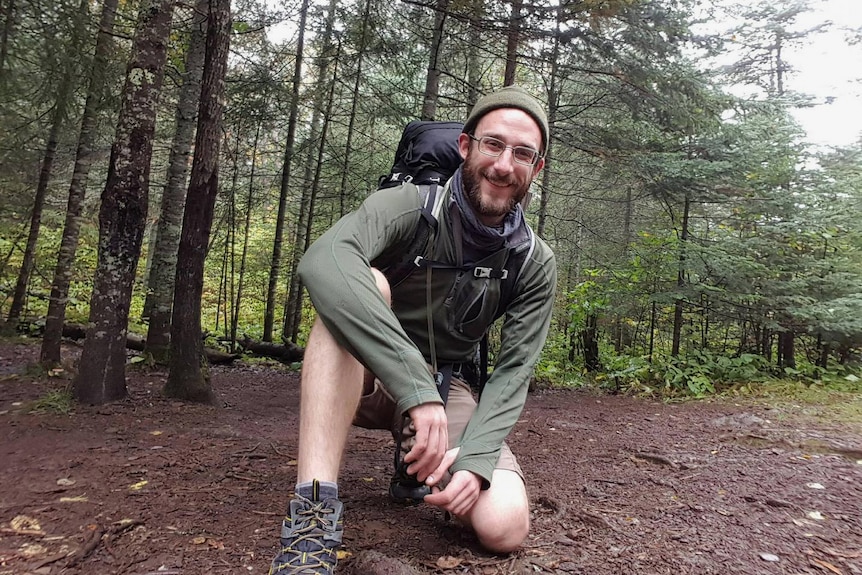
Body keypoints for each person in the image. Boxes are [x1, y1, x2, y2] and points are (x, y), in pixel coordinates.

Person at [268, 85, 557, 575]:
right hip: (366, 377)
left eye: (522, 153)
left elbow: (513, 373)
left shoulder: (532, 260)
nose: (504, 165)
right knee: (366, 284)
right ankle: (313, 517)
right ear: (466, 147)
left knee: (504, 526)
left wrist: (480, 459)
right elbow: (323, 261)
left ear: (537, 168)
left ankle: (417, 456)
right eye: (493, 145)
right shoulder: (409, 205)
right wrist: (415, 390)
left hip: (448, 388)